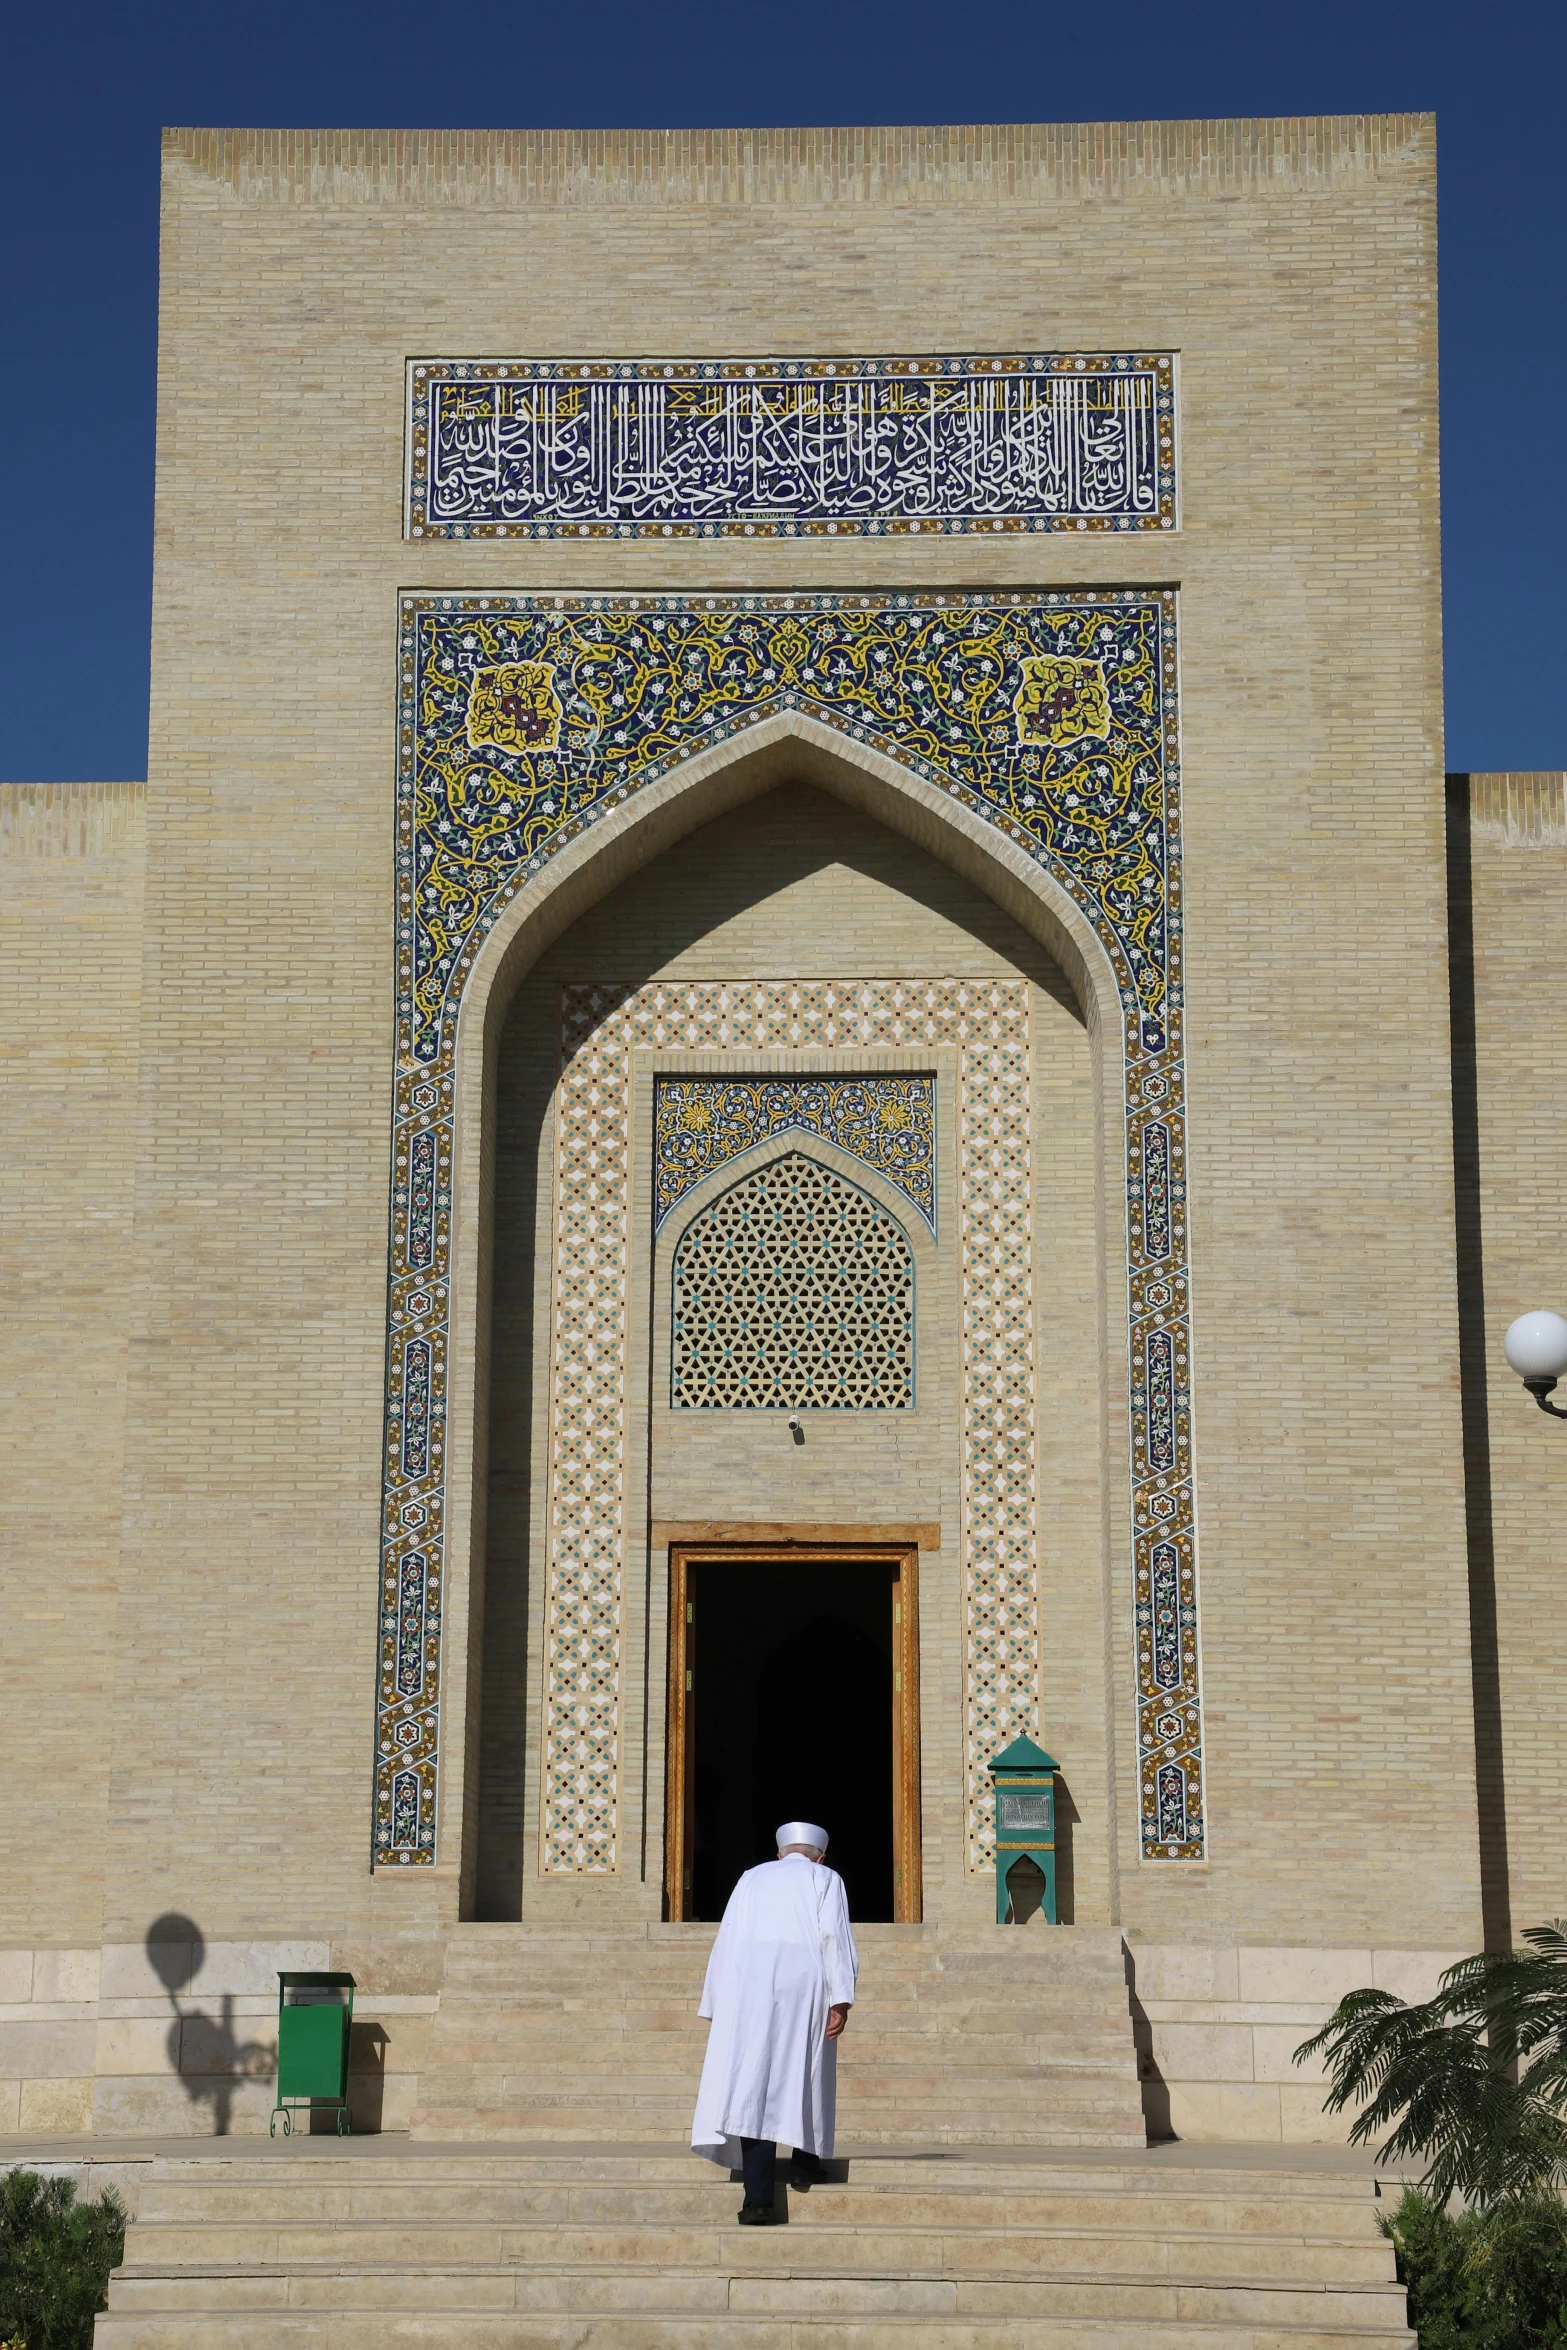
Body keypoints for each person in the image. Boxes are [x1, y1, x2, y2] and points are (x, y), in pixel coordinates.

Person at [691, 1819, 859, 2225]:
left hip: (750, 1987)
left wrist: (717, 1999)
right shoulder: (826, 1877)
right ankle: (805, 2164)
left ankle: (758, 2200)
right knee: (807, 2071)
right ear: (819, 1854)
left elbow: (728, 1935)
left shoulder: (752, 1877)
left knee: (754, 2082)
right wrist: (841, 1998)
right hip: (807, 1985)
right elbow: (833, 1936)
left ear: (780, 1853)